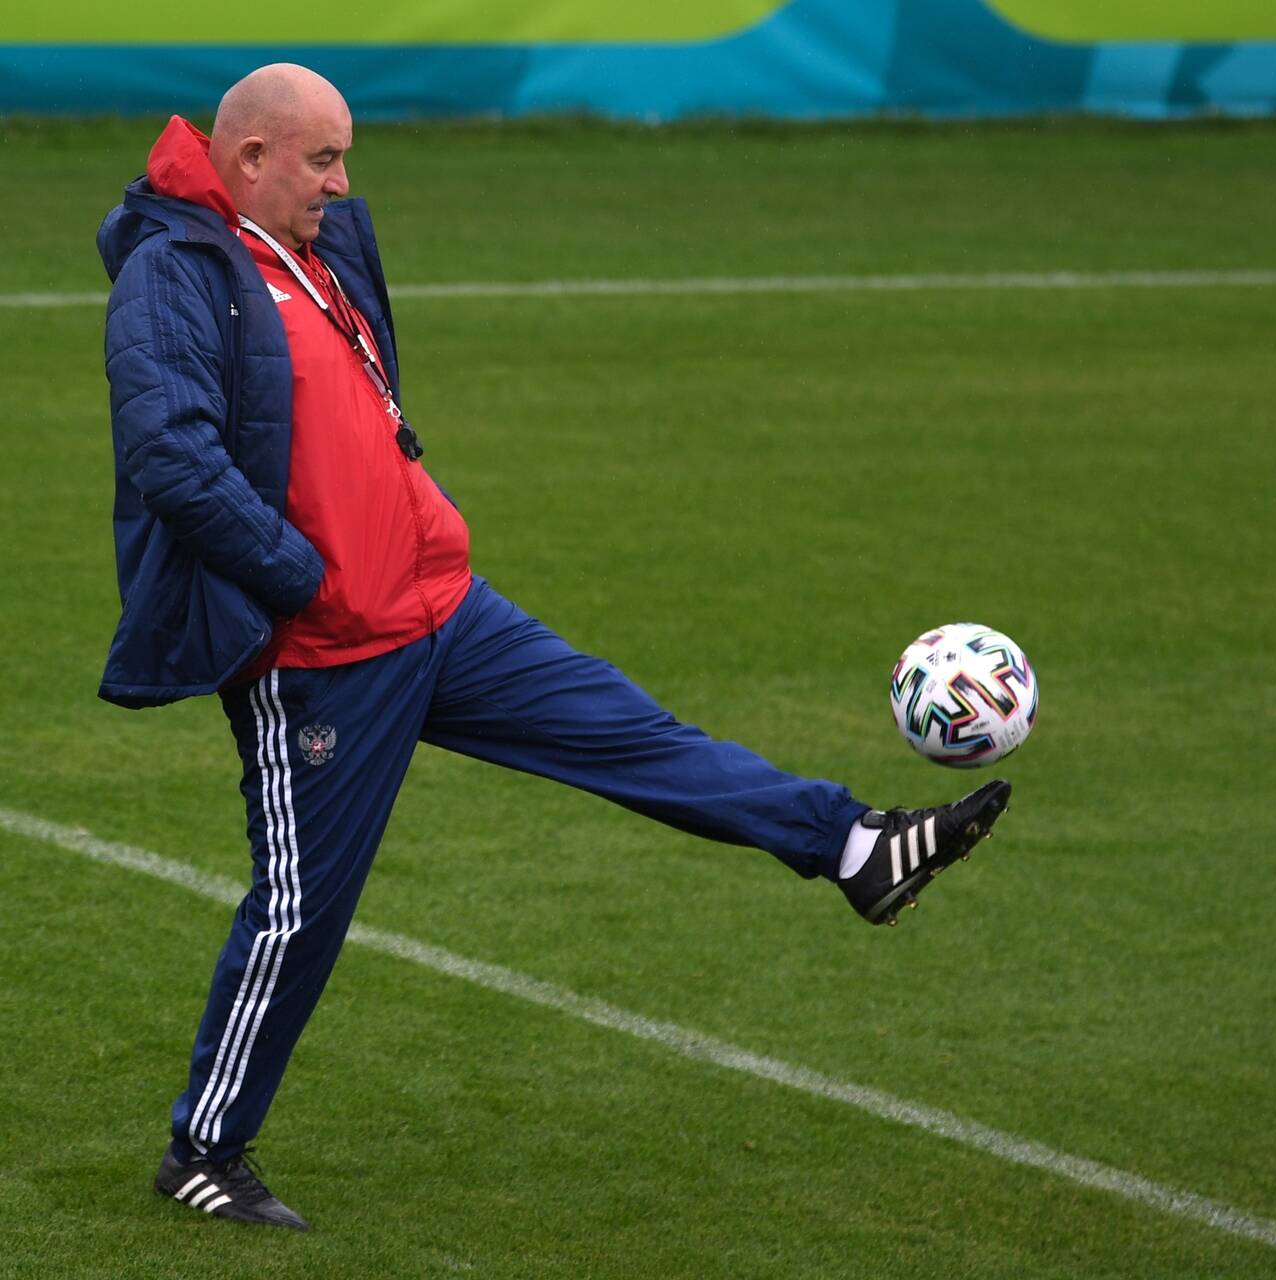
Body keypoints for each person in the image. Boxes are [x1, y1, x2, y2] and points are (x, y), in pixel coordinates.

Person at [97, 64, 1012, 1232]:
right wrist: (303, 577)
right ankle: (204, 1147)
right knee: (300, 909)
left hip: (441, 607)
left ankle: (852, 847)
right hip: (326, 651)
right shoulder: (179, 272)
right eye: (322, 159)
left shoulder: (303, 250)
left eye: (343, 156)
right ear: (250, 158)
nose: (342, 181)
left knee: (633, 734)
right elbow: (172, 458)